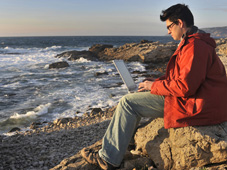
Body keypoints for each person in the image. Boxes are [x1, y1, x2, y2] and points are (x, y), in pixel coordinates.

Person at [81, 4, 227, 170]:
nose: (168, 31)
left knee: (128, 103)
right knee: (133, 101)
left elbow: (185, 87)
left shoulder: (194, 47)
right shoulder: (193, 42)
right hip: (199, 100)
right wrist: (155, 82)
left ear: (180, 22)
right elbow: (184, 77)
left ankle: (108, 159)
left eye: (169, 27)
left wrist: (155, 86)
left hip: (196, 105)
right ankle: (123, 145)